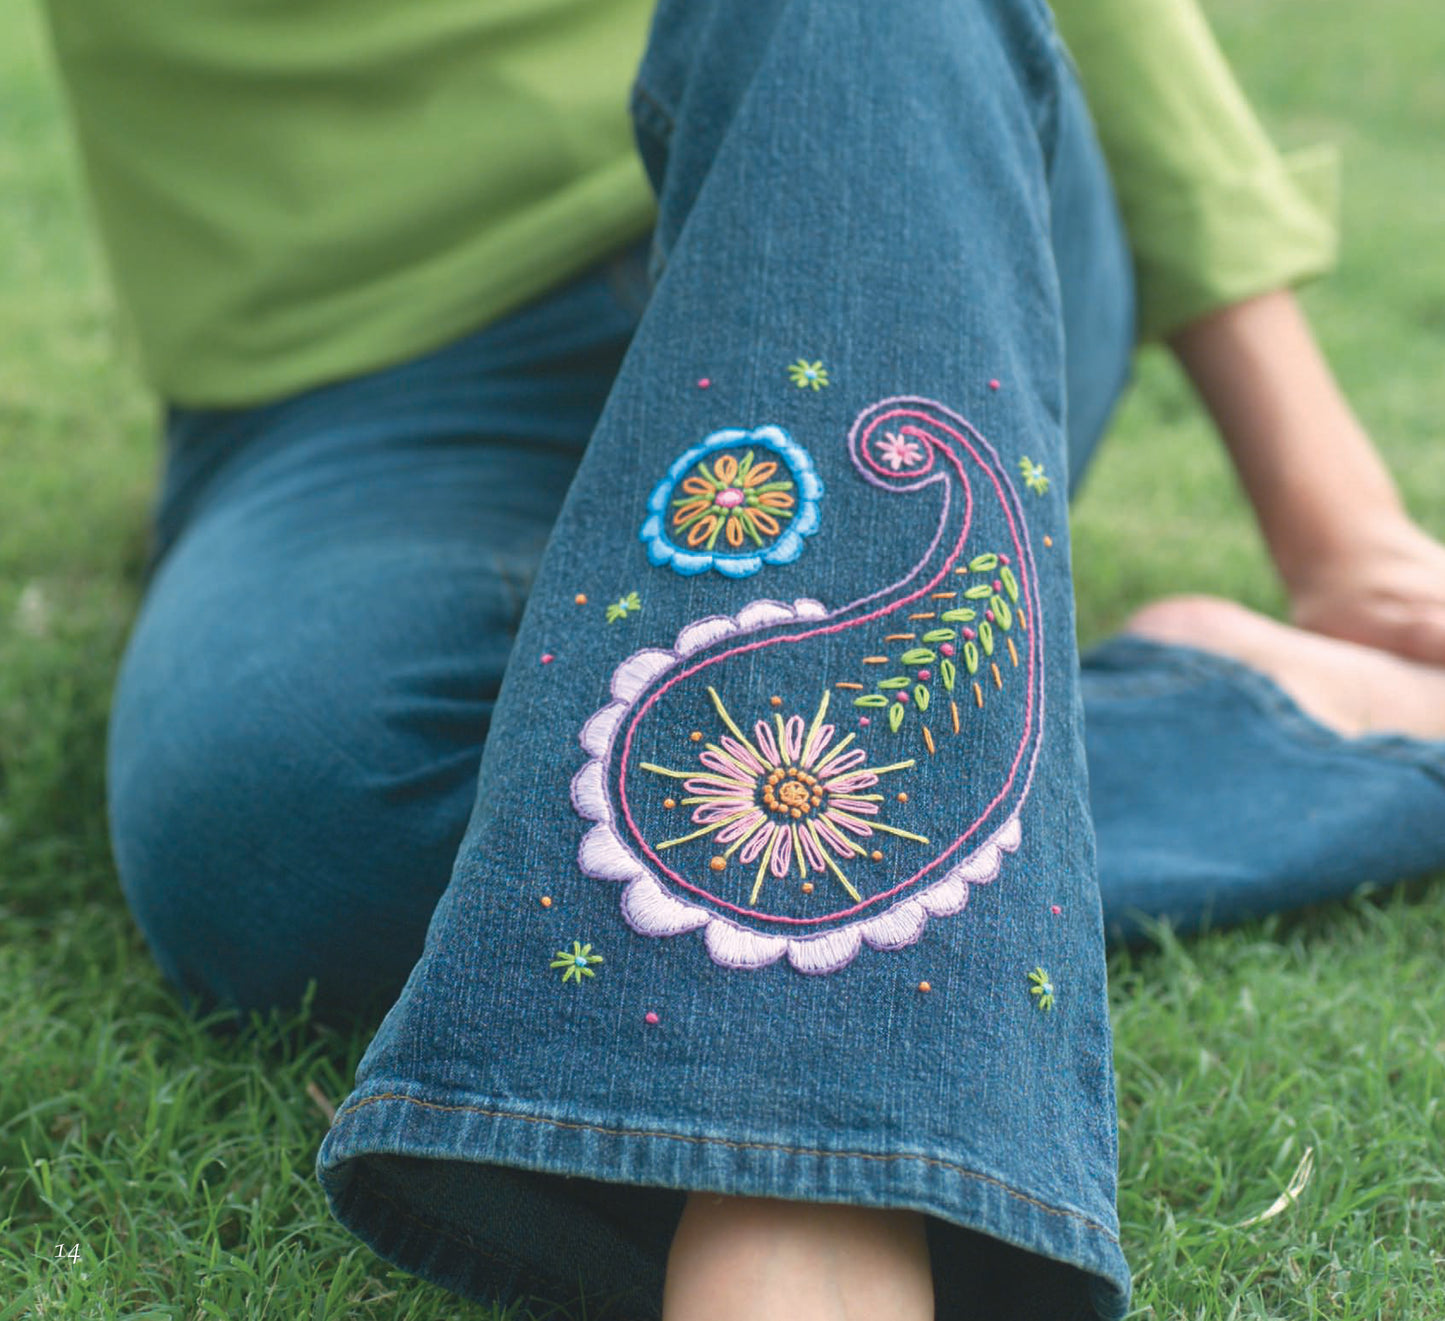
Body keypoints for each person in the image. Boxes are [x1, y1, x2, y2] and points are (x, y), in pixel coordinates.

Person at [39, 0, 1445, 1315]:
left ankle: (811, 1187)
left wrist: (1342, 530)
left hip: (872, 174)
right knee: (290, 816)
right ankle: (1229, 711)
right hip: (365, 387)